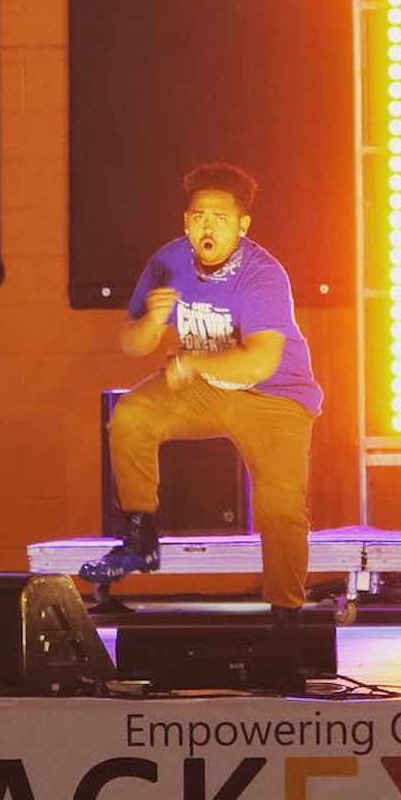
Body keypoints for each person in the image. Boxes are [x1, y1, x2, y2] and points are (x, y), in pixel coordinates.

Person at [80, 163, 323, 621]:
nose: (208, 228)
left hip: (273, 395)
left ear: (242, 226)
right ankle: (140, 538)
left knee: (281, 505)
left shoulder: (263, 275)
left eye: (220, 219)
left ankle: (285, 609)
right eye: (199, 218)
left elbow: (259, 361)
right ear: (185, 222)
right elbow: (133, 342)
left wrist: (193, 362)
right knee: (131, 417)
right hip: (205, 387)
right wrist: (153, 322)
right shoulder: (167, 262)